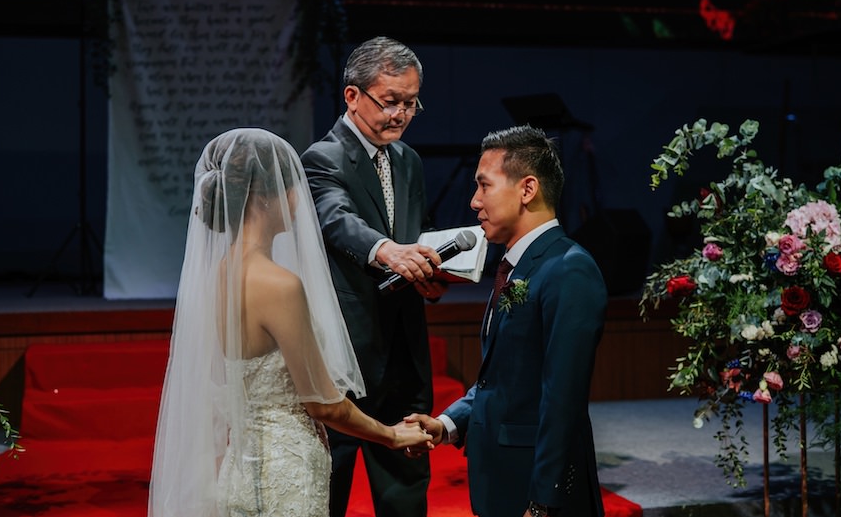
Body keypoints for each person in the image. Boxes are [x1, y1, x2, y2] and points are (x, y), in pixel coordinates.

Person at [147, 128, 433, 517]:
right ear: (264, 199)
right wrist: (391, 435)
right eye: (292, 186)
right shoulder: (278, 284)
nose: (300, 200)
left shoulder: (219, 274)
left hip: (239, 468)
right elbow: (323, 404)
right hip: (286, 471)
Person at [405, 125, 608, 517]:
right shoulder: (515, 267)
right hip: (499, 481)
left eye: (484, 186)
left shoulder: (569, 269)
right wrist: (447, 424)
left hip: (536, 492)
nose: (473, 201)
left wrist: (544, 502)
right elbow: (499, 379)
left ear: (527, 190)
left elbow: (562, 399)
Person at [300, 36, 448, 517]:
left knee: (406, 494)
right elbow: (336, 220)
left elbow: (412, 235)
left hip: (403, 351)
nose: (401, 114)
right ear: (352, 96)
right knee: (330, 490)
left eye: (411, 103)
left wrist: (429, 272)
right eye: (390, 102)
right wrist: (388, 251)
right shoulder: (323, 158)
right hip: (345, 354)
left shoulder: (409, 161)